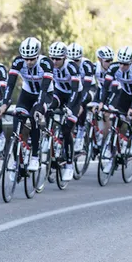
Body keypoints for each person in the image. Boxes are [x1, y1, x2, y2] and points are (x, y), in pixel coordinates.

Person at [0, 37, 54, 172]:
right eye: (26, 59)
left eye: (32, 59)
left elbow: (44, 88)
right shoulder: (18, 61)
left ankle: (35, 157)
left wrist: (40, 107)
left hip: (45, 94)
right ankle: (16, 160)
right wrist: (5, 103)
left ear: (38, 55)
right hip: (27, 93)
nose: (29, 62)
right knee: (16, 123)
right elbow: (10, 84)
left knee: (35, 117)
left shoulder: (46, 63)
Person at [48, 41, 82, 180]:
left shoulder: (72, 67)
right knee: (48, 107)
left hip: (74, 96)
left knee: (67, 130)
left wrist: (69, 108)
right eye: (53, 58)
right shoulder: (49, 66)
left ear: (65, 58)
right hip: (59, 93)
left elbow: (74, 90)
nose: (55, 61)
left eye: (58, 59)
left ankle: (69, 164)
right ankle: (49, 143)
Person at [103, 46, 132, 156]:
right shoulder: (114, 67)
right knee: (117, 115)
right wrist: (102, 103)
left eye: (125, 64)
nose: (122, 66)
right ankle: (113, 143)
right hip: (125, 93)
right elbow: (106, 86)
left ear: (131, 62)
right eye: (120, 63)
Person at [66, 42, 97, 152]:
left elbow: (87, 86)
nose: (74, 63)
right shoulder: (65, 65)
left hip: (88, 89)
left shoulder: (87, 65)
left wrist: (78, 103)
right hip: (73, 88)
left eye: (77, 61)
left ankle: (81, 130)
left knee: (80, 101)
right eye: (71, 61)